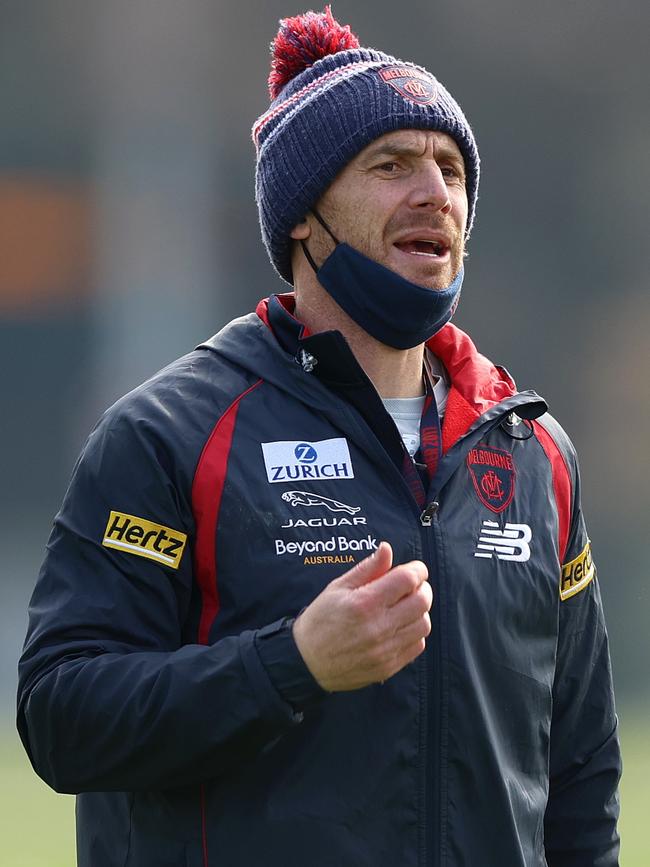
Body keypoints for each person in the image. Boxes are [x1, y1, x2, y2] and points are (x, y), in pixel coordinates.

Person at [18, 7, 621, 866]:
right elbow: (62, 716)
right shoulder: (170, 434)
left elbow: (581, 776)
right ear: (304, 214)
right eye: (391, 165)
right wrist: (291, 664)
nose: (435, 193)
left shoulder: (534, 454)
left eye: (450, 169)